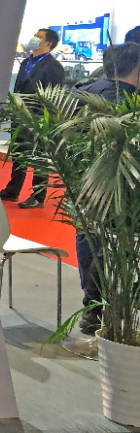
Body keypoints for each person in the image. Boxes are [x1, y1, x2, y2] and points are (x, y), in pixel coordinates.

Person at [74, 42, 140, 335]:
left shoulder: (79, 93)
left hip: (83, 185)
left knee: (89, 238)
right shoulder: (129, 105)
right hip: (119, 188)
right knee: (112, 244)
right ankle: (99, 308)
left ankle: (92, 308)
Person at [0, 28, 65, 209]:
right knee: (18, 154)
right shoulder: (26, 62)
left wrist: (45, 119)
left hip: (38, 118)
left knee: (38, 157)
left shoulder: (53, 67)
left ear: (48, 43)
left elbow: (53, 96)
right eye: (35, 35)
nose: (34, 38)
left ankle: (38, 196)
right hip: (20, 114)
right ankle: (13, 190)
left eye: (39, 36)